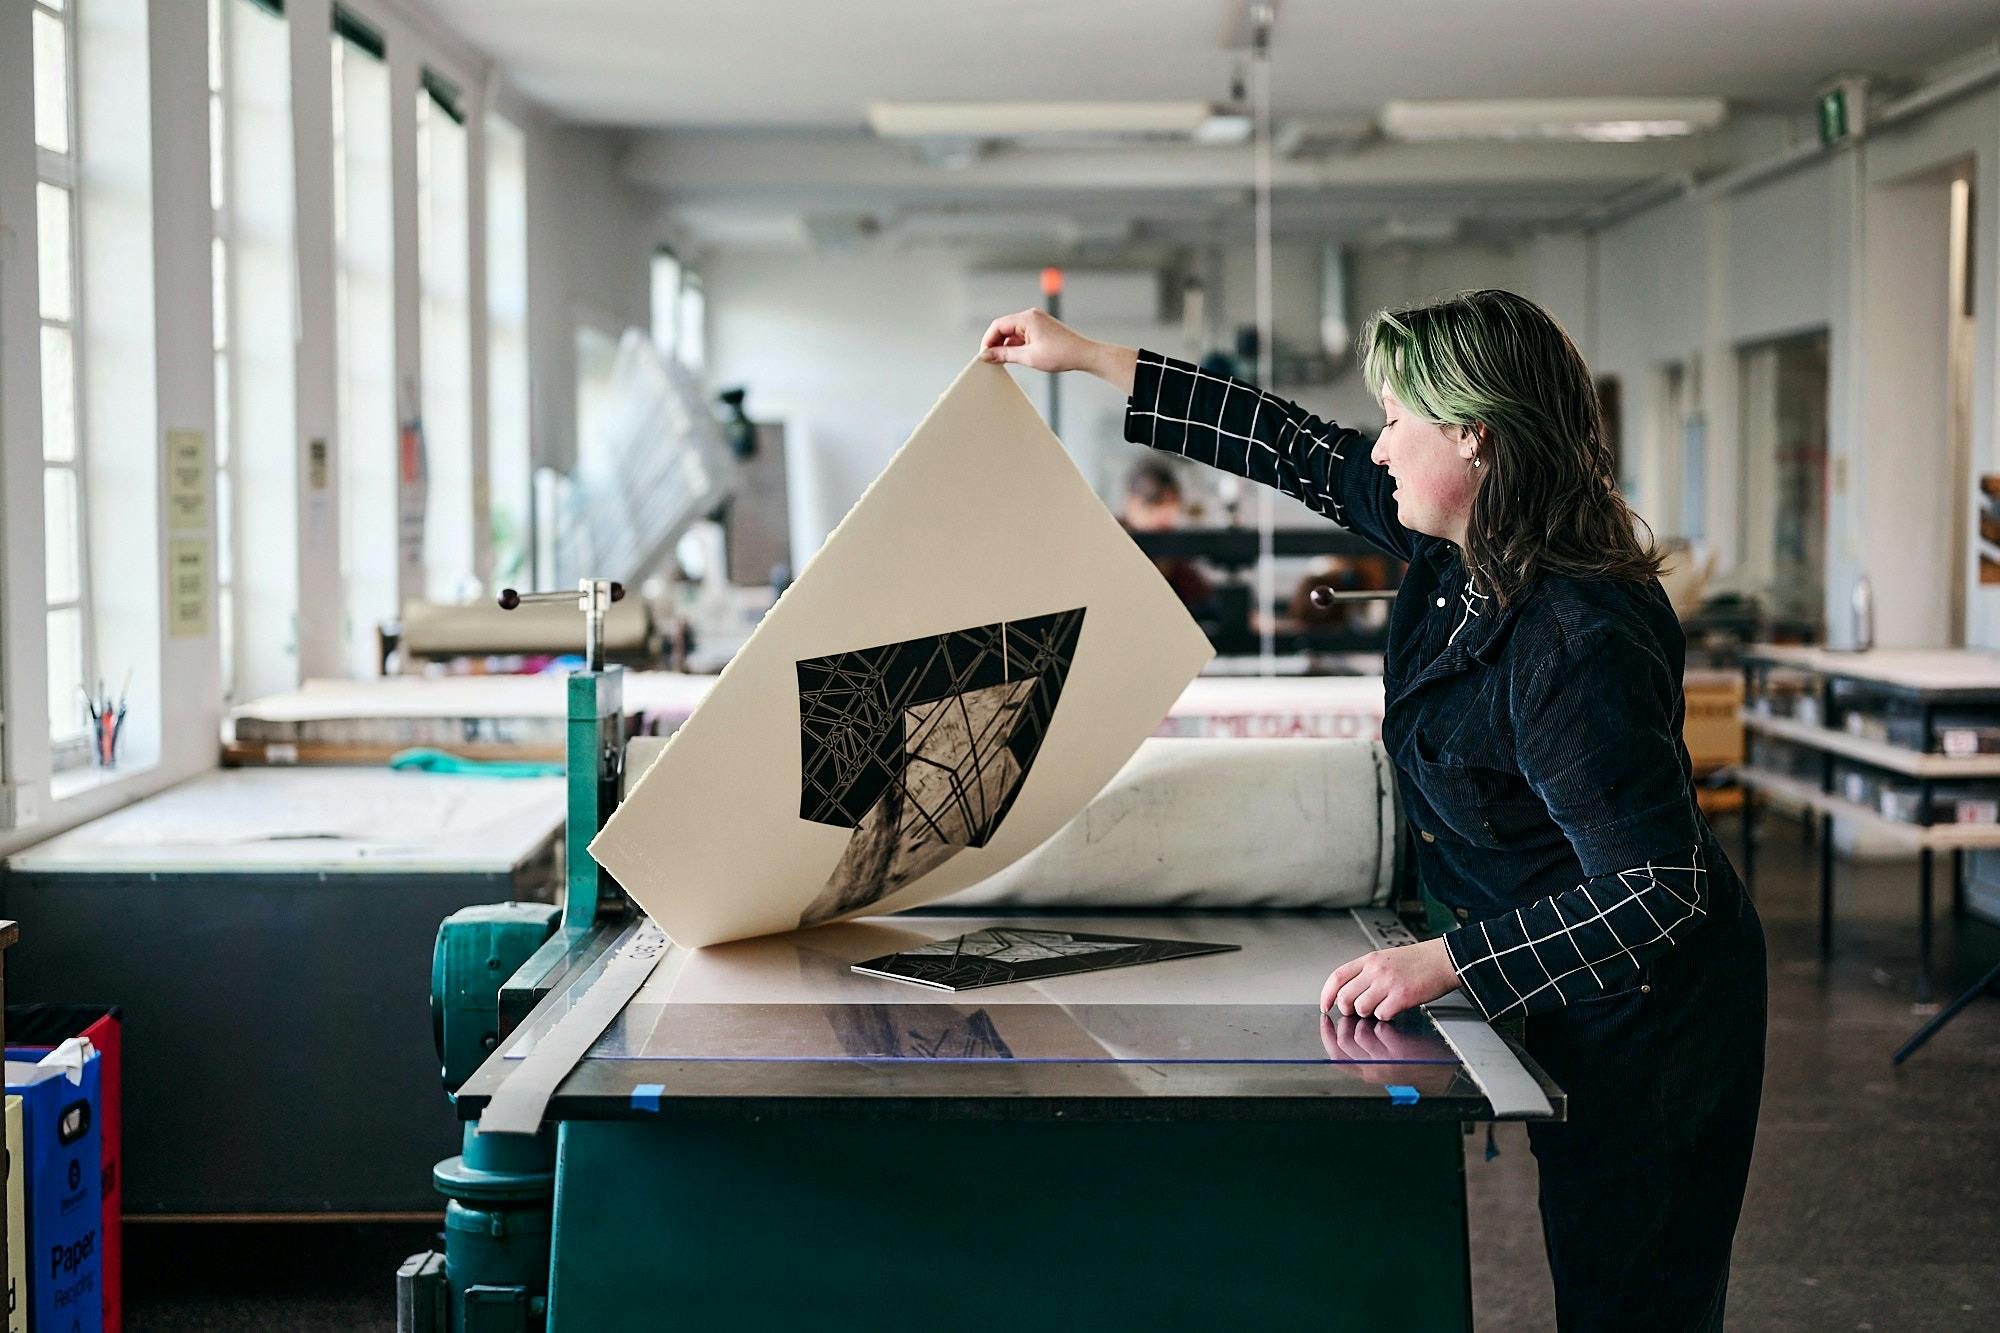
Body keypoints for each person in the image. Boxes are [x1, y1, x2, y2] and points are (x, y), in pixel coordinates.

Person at [980, 291, 1767, 1333]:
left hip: (1649, 1011)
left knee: (1629, 1293)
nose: (1380, 446)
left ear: (1474, 435)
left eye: (1397, 419)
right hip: (1560, 974)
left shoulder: (1573, 640)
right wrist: (1083, 357)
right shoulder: (1457, 548)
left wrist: (1448, 961)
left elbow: (1654, 891)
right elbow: (1287, 443)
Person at [1118, 460, 1214, 615]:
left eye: (1171, 505)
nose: (1167, 517)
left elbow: (1204, 599)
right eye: (1155, 504)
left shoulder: (1176, 561)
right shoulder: (1112, 545)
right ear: (1132, 504)